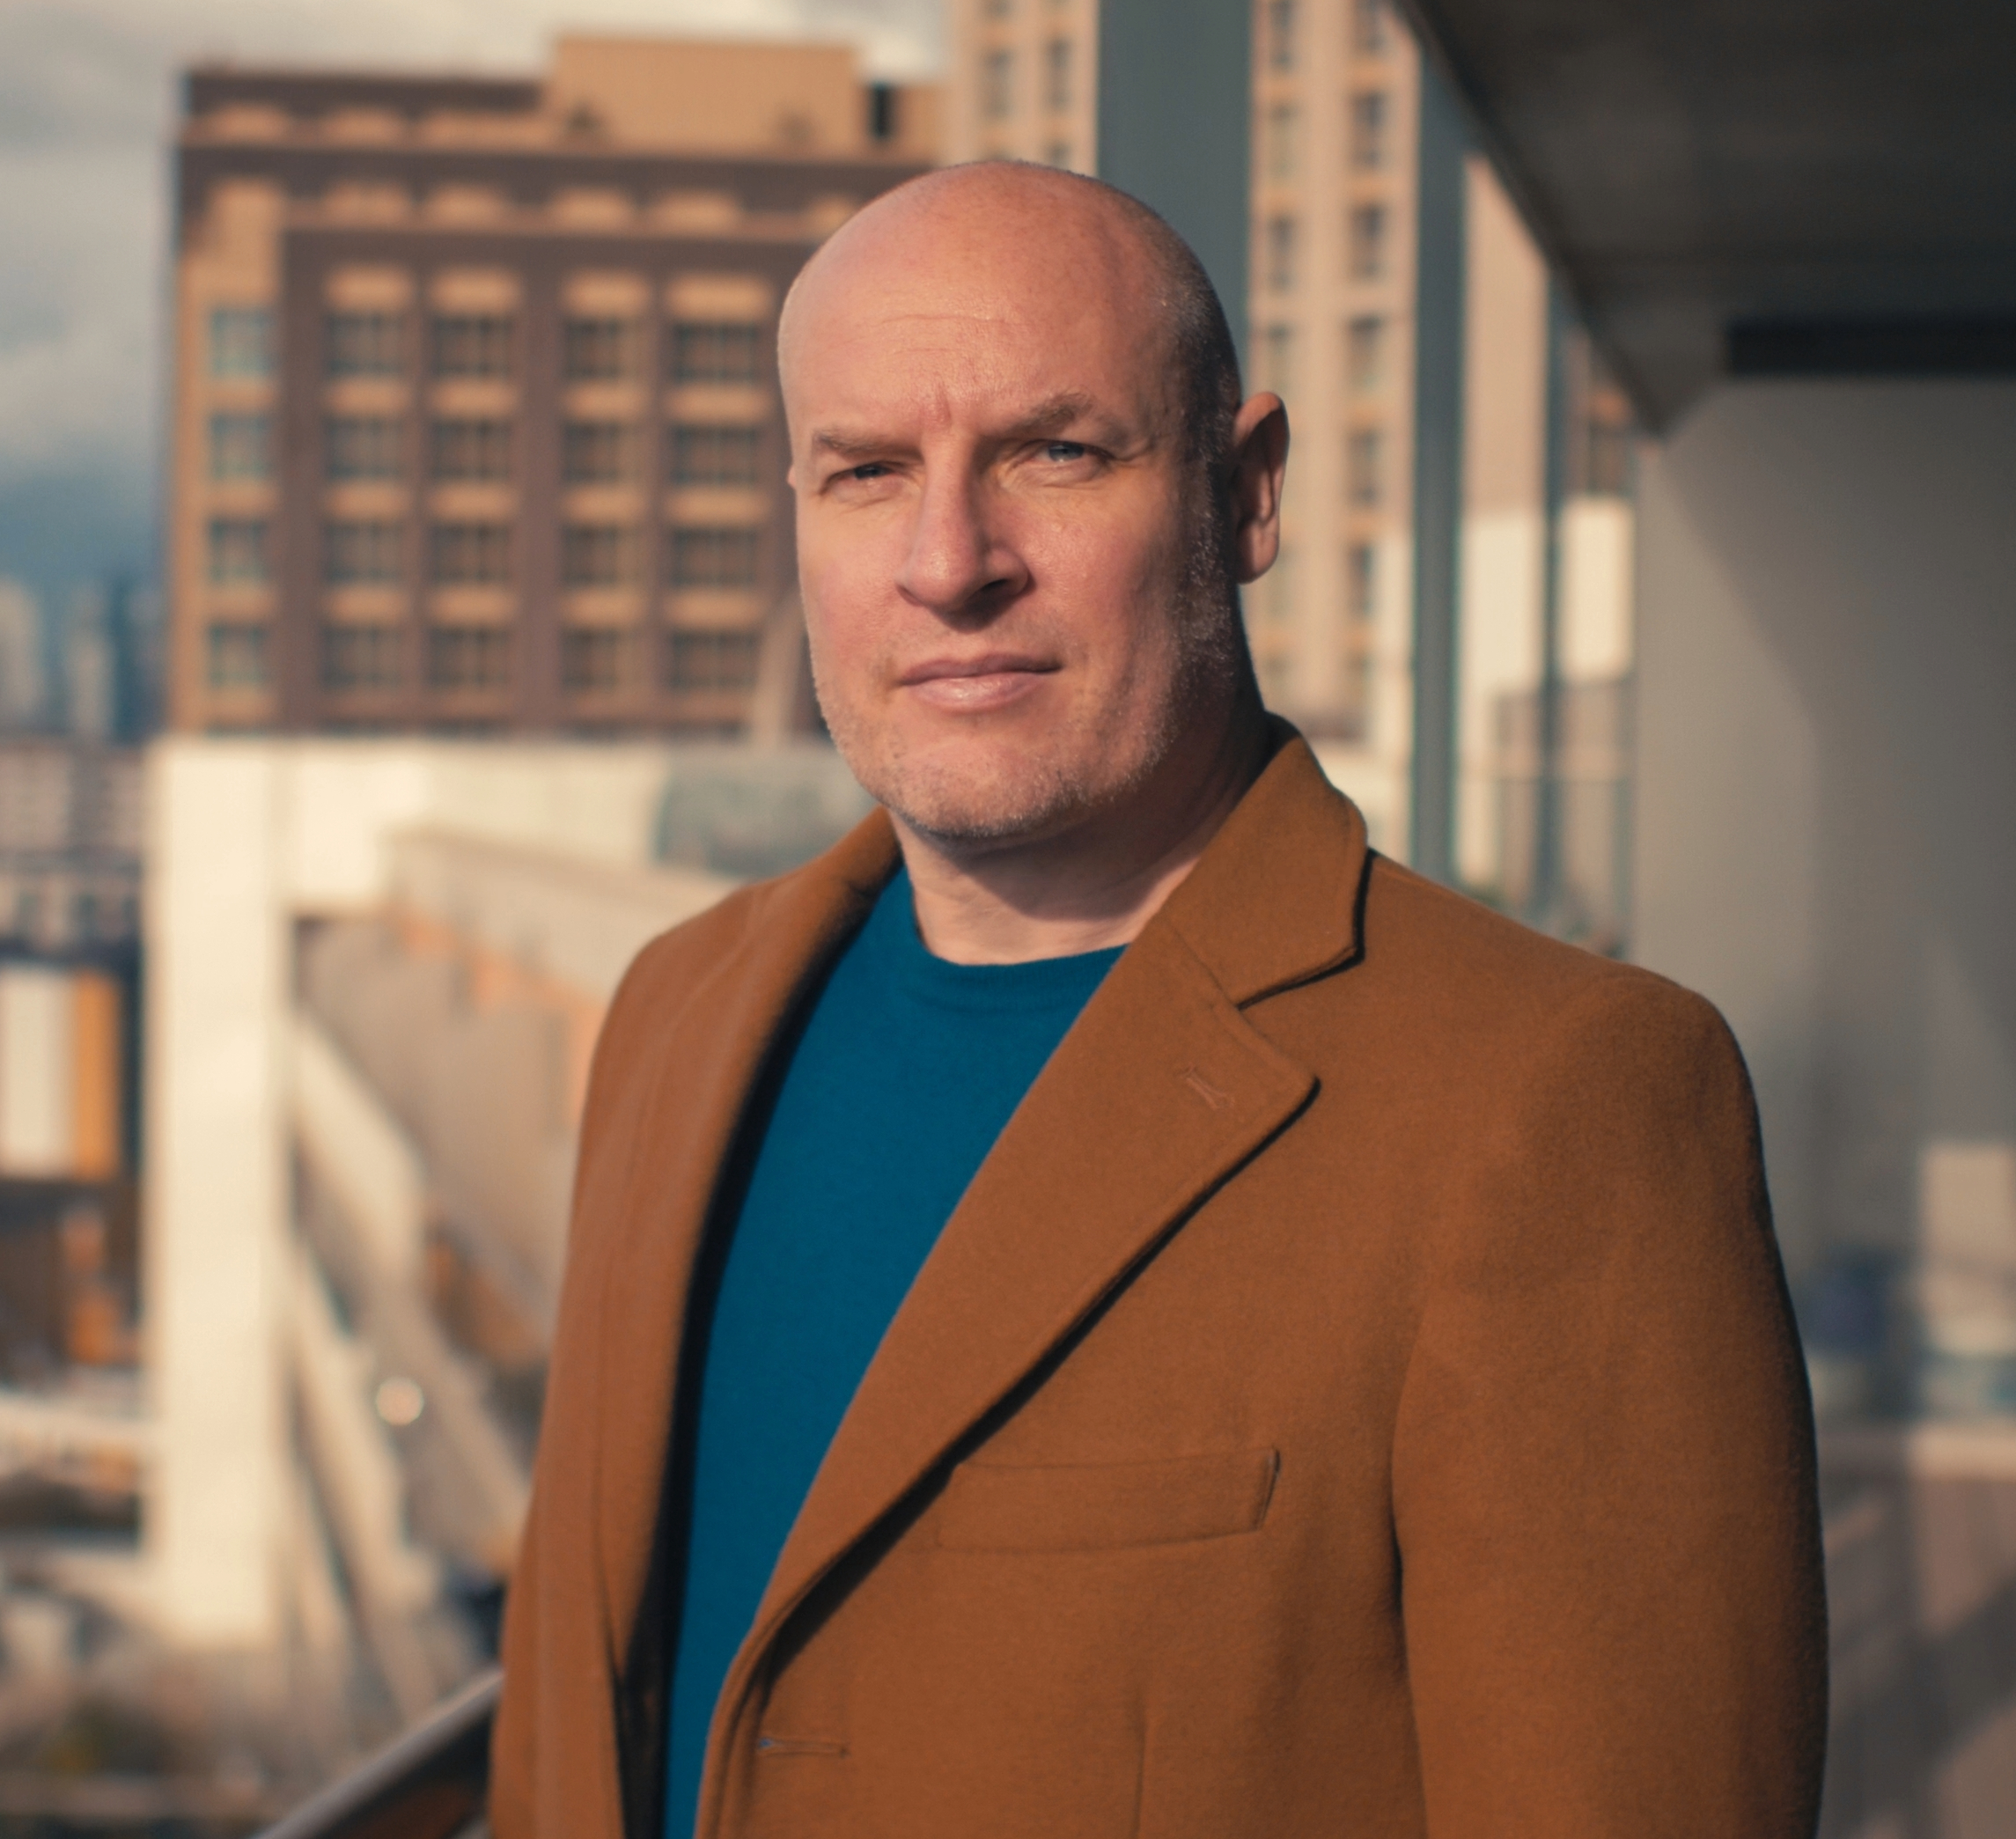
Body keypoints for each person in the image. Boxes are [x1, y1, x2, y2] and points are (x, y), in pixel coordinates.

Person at [489, 161, 1825, 1839]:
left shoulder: (1558, 1100)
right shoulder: (677, 1015)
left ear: (1246, 491)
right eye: (867, 471)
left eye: (1055, 452)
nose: (949, 561)